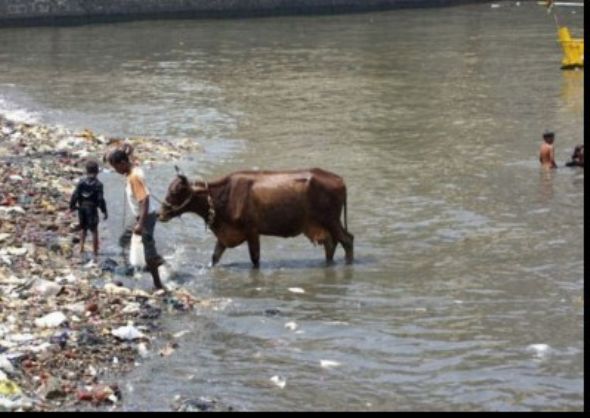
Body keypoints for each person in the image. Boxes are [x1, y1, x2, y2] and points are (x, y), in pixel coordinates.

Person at [106, 148, 165, 290]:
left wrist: (140, 224)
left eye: (116, 167)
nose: (116, 170)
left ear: (123, 163)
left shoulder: (134, 178)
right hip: (138, 216)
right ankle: (132, 267)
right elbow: (130, 157)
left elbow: (144, 200)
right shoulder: (133, 169)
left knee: (148, 252)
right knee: (124, 239)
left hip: (145, 217)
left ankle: (158, 284)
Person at [69, 159, 108, 261]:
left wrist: (72, 206)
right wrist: (104, 211)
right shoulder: (98, 184)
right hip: (92, 208)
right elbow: (100, 199)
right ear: (97, 171)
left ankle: (81, 248)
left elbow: (75, 195)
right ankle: (95, 252)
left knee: (83, 228)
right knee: (94, 230)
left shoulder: (81, 182)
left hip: (82, 208)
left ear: (86, 171)